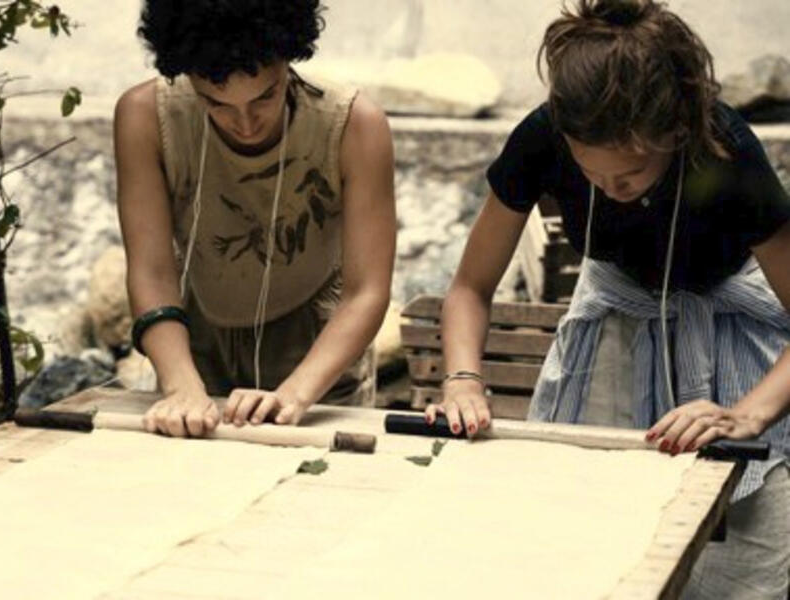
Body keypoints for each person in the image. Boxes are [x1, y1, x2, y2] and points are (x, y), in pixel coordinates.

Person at [427, 1, 790, 596]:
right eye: (591, 174)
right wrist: (463, 378)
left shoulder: (726, 152)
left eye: (630, 174)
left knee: (740, 558)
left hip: (727, 328)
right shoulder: (543, 135)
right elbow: (470, 287)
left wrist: (746, 413)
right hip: (615, 324)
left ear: (674, 134)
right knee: (584, 540)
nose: (610, 190)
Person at [113, 0, 395, 439]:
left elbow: (367, 291)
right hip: (196, 334)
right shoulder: (145, 116)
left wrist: (297, 394)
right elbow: (150, 271)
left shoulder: (355, 125)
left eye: (266, 95)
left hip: (318, 347)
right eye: (217, 103)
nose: (245, 123)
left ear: (290, 60)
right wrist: (181, 386)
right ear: (186, 74)